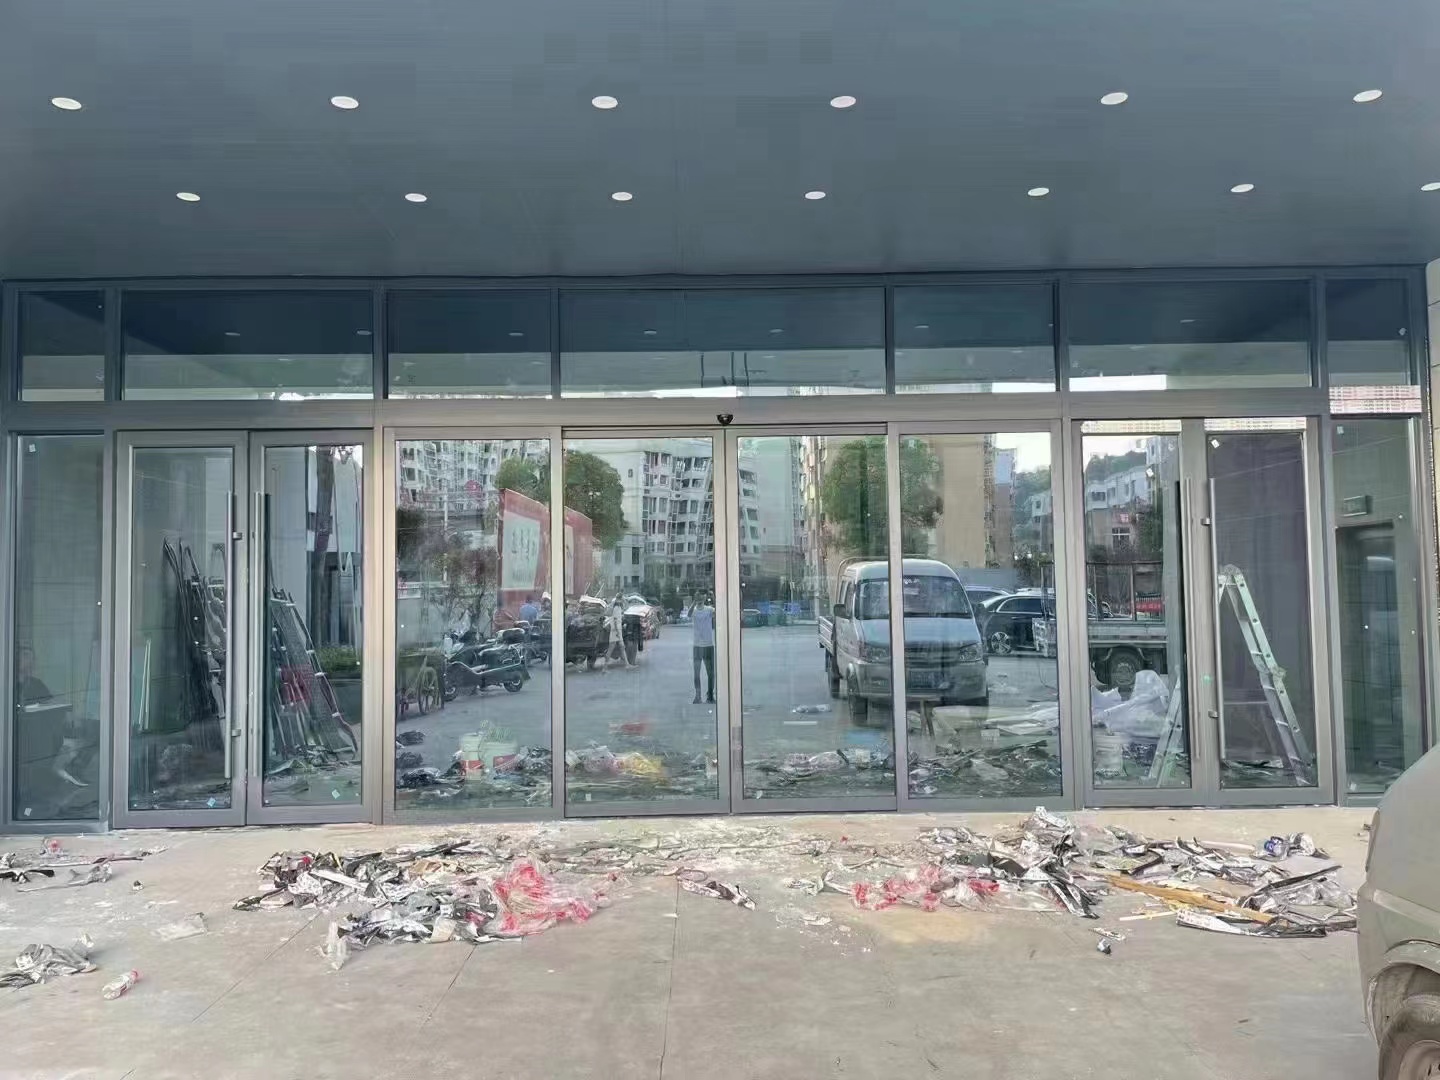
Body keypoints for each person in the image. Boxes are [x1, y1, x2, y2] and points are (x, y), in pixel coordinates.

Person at [691, 594, 715, 704]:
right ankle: (698, 696)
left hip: (707, 644)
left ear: (704, 599)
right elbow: (688, 614)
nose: (700, 599)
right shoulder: (694, 610)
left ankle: (709, 695)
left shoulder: (709, 609)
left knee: (710, 673)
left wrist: (713, 597)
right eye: (698, 597)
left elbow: (718, 611)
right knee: (697, 673)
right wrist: (693, 603)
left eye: (701, 597)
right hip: (698, 645)